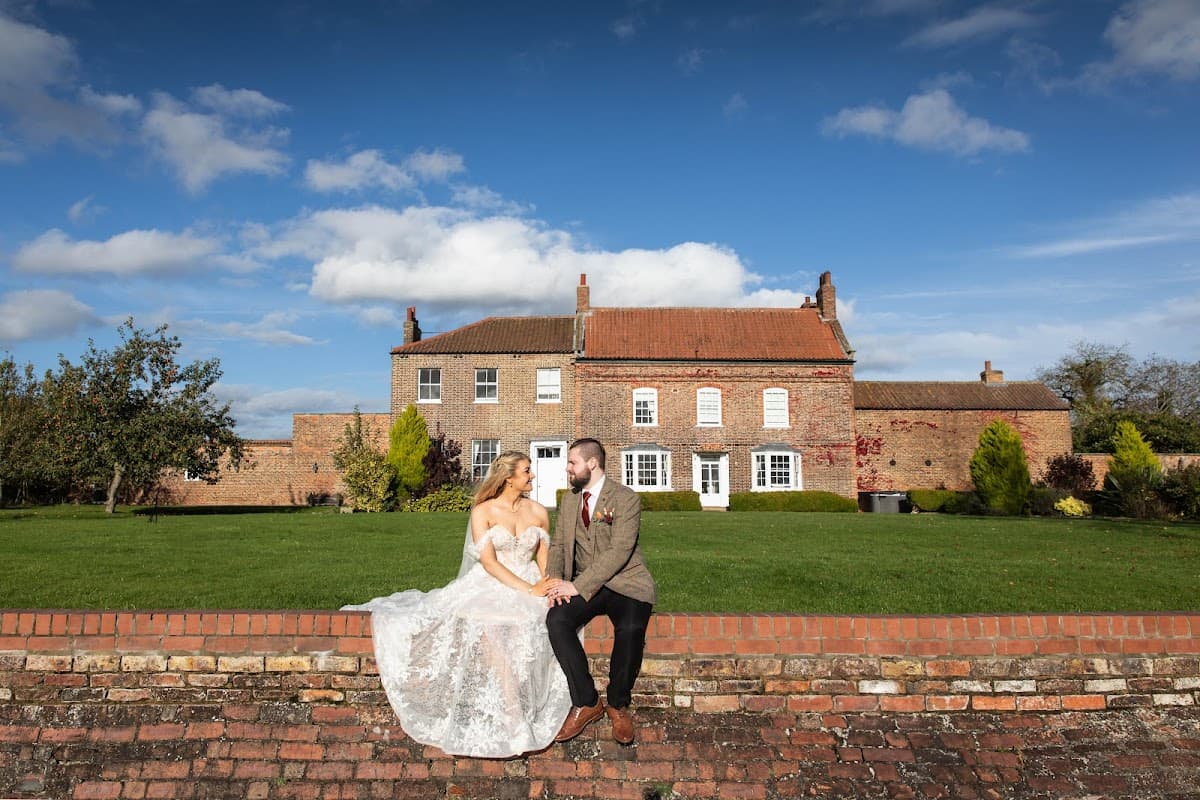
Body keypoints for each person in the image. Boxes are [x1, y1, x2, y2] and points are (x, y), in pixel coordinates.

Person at [342, 452, 571, 758]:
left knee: (531, 626)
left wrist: (546, 585)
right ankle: (513, 711)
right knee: (489, 623)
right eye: (527, 471)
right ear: (508, 478)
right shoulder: (482, 512)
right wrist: (528, 589)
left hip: (529, 579)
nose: (532, 476)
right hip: (493, 581)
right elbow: (489, 562)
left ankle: (518, 706)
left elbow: (544, 558)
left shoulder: (539, 512)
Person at [545, 438, 656, 745]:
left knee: (632, 628)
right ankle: (587, 701)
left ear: (591, 463)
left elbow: (620, 551)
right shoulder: (569, 500)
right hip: (584, 584)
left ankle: (618, 704)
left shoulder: (625, 498)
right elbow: (558, 545)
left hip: (626, 582)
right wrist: (556, 582)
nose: (568, 468)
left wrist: (576, 585)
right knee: (557, 621)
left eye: (572, 462)